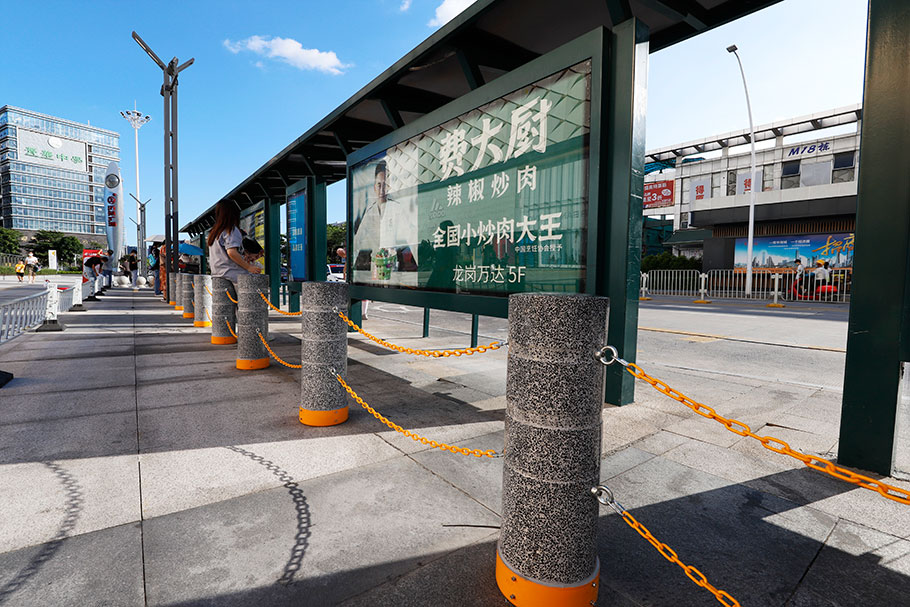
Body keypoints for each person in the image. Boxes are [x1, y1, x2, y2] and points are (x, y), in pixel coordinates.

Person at [206, 200, 262, 291]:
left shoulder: (214, 232)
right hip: (233, 275)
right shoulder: (231, 230)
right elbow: (231, 252)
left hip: (217, 274)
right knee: (253, 297)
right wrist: (249, 267)